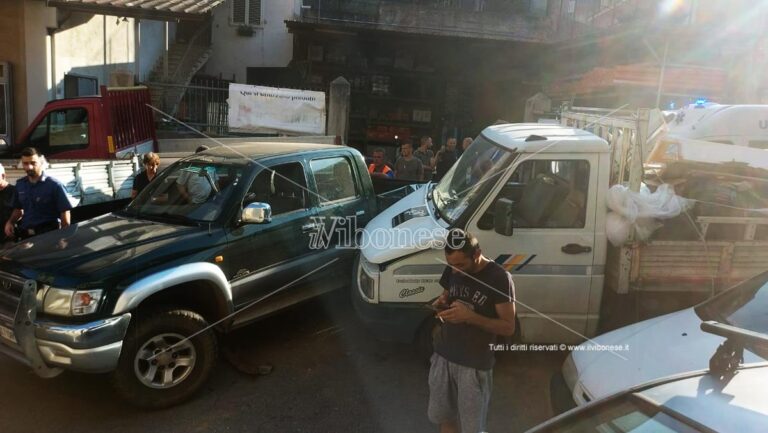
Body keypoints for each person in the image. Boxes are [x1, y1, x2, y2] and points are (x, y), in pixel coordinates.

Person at [429, 229, 516, 433]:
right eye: (451, 265)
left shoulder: (500, 278)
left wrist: (471, 317)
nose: (455, 270)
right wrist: (442, 303)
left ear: (476, 254)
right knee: (444, 418)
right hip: (443, 356)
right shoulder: (453, 268)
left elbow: (508, 327)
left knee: (472, 428)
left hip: (474, 364)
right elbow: (447, 294)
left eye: (460, 265)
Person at [4, 147, 72, 240]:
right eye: (25, 163)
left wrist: (64, 237)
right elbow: (18, 209)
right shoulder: (20, 185)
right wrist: (10, 222)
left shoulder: (54, 185)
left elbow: (65, 212)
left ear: (41, 162)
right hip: (26, 236)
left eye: (33, 163)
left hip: (49, 236)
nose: (29, 167)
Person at [0, 164, 17, 244]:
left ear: (3, 176)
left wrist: (11, 222)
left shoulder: (15, 191)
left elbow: (21, 212)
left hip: (9, 239)